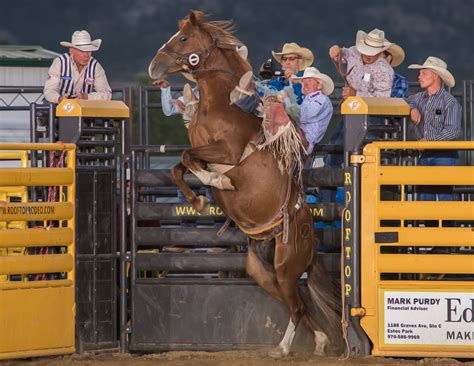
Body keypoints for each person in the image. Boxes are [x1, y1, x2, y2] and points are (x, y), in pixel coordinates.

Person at [407, 56, 462, 201]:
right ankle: (431, 222)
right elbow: (407, 100)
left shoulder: (450, 102)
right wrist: (413, 108)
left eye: (424, 73)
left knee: (443, 195)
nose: (419, 77)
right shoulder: (417, 98)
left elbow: (453, 131)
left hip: (444, 155)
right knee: (426, 195)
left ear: (435, 76)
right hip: (426, 154)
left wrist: (428, 140)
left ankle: (447, 224)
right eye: (420, 74)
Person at [231, 42, 314, 113]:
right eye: (284, 59)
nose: (287, 62)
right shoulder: (274, 83)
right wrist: (256, 82)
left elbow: (299, 104)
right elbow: (260, 92)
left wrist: (294, 81)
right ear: (281, 63)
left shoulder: (305, 83)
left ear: (300, 61)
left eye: (291, 59)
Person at [44, 30, 112, 103]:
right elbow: (49, 91)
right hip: (58, 107)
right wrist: (59, 99)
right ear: (72, 51)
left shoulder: (95, 66)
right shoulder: (60, 62)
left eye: (89, 51)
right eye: (82, 51)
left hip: (84, 108)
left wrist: (87, 97)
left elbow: (106, 94)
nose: (86, 55)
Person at [280, 67, 334, 155]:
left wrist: (285, 99)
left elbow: (302, 116)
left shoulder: (322, 100)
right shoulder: (308, 99)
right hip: (298, 136)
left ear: (319, 85)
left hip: (304, 140)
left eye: (309, 80)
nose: (305, 83)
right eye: (303, 81)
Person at [329, 28, 394, 98]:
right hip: (348, 103)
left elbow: (382, 97)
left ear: (380, 53)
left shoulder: (385, 71)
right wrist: (335, 49)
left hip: (370, 107)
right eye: (366, 50)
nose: (368, 55)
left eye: (373, 52)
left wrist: (356, 94)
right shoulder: (354, 52)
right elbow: (338, 56)